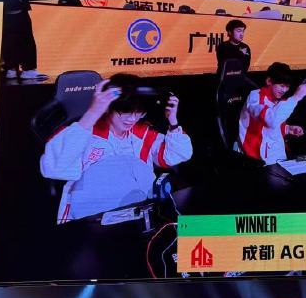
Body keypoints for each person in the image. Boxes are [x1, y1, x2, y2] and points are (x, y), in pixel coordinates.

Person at [40, 74, 193, 222]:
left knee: (196, 227)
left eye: (138, 111)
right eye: (125, 111)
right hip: (93, 221)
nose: (132, 118)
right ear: (108, 107)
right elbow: (54, 168)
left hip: (140, 217)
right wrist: (93, 113)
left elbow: (178, 154)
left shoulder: (143, 132)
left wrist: (173, 122)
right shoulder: (81, 133)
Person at [239, 63, 306, 165]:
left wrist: (287, 129)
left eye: (287, 87)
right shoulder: (255, 97)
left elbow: (271, 126)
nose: (284, 90)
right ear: (269, 81)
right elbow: (270, 121)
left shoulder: (278, 100)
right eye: (281, 86)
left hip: (276, 156)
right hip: (256, 158)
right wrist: (296, 97)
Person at [1, 0, 47, 80]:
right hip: (14, 7)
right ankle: (27, 69)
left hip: (8, 8)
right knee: (25, 38)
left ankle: (11, 69)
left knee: (9, 37)